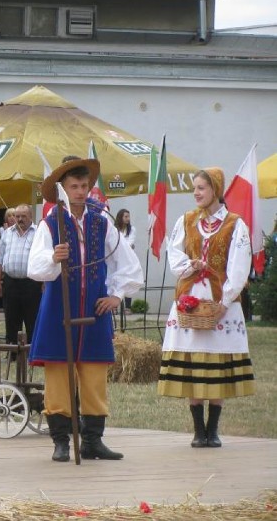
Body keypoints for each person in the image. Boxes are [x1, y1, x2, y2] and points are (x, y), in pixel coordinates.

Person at [27, 156, 143, 463]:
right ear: (62, 190)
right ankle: (61, 441)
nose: (80, 191)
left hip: (94, 310)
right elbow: (34, 269)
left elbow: (128, 265)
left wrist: (117, 295)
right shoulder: (50, 223)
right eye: (74, 186)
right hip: (58, 309)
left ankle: (93, 441)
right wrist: (53, 257)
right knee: (58, 377)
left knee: (94, 377)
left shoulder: (101, 221)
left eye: (84, 186)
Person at [157, 168, 254, 448]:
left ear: (216, 190)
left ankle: (214, 430)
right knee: (193, 364)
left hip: (220, 301)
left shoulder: (236, 224)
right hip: (190, 299)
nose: (197, 193)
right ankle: (198, 431)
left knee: (217, 366)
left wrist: (224, 302)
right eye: (195, 188)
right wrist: (189, 265)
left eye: (202, 188)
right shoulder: (186, 220)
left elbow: (239, 264)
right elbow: (173, 252)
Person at [0, 203, 43, 349]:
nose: (20, 219)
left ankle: (32, 352)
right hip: (10, 282)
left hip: (32, 283)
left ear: (31, 217)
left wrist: (45, 282)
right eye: (17, 216)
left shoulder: (38, 233)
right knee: (11, 319)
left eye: (23, 216)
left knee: (32, 319)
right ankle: (12, 352)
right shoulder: (7, 233)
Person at [114, 209, 137, 312]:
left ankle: (127, 307)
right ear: (120, 217)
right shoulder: (114, 230)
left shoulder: (132, 229)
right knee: (115, 281)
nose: (128, 219)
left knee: (128, 281)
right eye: (125, 216)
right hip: (116, 259)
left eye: (128, 216)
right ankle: (114, 306)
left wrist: (124, 246)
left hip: (128, 260)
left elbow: (130, 243)